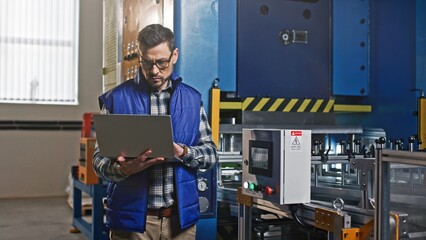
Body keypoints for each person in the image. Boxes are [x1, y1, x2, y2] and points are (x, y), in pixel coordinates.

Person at [92, 23, 218, 240]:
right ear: (139, 57)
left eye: (162, 62)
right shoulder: (116, 99)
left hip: (180, 222)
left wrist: (183, 152)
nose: (154, 71)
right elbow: (98, 161)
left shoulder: (192, 99)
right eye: (147, 63)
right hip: (132, 223)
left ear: (175, 55)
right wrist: (124, 170)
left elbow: (211, 155)